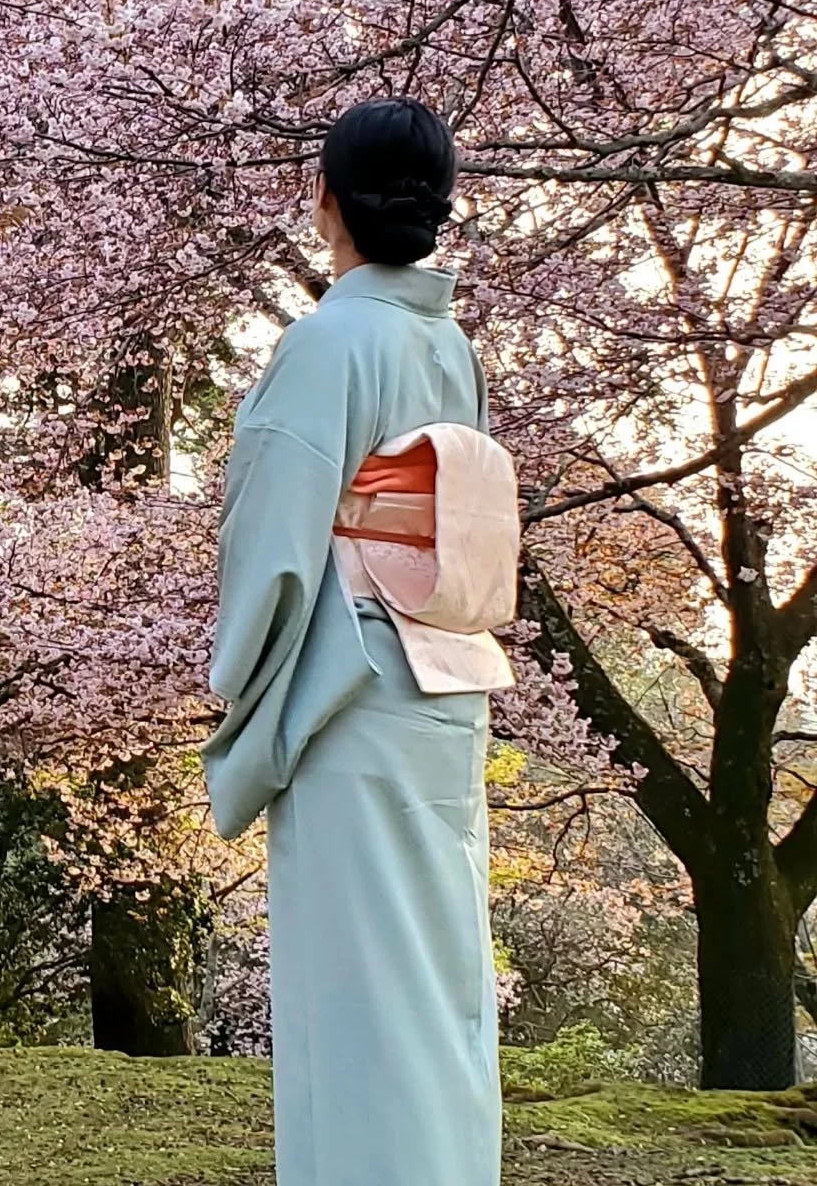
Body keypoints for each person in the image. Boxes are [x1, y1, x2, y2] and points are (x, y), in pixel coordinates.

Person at [203, 98, 517, 1185]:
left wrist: (238, 683)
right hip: (444, 685)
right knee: (433, 990)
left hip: (353, 696)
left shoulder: (330, 341)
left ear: (324, 196)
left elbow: (277, 547)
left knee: (361, 1000)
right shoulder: (451, 345)